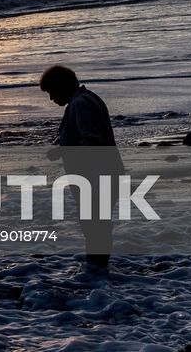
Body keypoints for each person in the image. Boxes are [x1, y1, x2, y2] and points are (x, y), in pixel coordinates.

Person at [40, 64, 122, 272]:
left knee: (95, 227)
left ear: (61, 86)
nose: (51, 99)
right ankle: (98, 272)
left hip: (96, 177)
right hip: (102, 175)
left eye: (51, 92)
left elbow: (92, 143)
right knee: (98, 227)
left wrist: (63, 152)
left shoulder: (80, 104)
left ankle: (96, 274)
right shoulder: (85, 100)